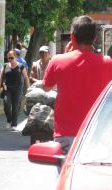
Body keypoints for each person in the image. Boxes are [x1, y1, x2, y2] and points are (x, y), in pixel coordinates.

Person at [43, 15, 112, 155]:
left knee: (65, 175)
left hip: (65, 135)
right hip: (97, 135)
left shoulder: (57, 61)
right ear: (95, 38)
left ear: (72, 38)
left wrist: (65, 56)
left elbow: (46, 87)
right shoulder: (107, 63)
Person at [0, 50, 29, 130]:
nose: (10, 60)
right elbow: (1, 77)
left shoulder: (21, 66)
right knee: (6, 104)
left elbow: (26, 78)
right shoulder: (5, 66)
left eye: (12, 58)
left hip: (18, 89)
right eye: (8, 58)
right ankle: (9, 120)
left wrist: (28, 89)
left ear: (16, 57)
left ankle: (14, 124)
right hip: (7, 88)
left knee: (15, 107)